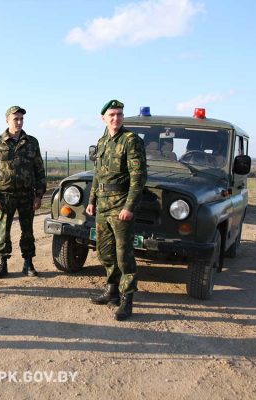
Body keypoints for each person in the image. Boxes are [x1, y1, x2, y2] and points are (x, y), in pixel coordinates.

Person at [86, 99, 147, 321]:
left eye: (119, 114)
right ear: (103, 118)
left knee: (124, 256)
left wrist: (129, 206)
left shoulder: (131, 140)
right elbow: (97, 175)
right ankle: (111, 290)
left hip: (121, 205)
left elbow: (138, 177)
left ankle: (126, 298)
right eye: (112, 115)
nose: (116, 118)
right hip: (103, 205)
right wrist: (91, 200)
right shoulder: (102, 141)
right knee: (104, 252)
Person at [0, 106, 46, 278]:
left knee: (28, 230)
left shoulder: (32, 142)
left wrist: (39, 195)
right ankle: (2, 263)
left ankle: (28, 263)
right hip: (5, 195)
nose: (18, 122)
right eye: (15, 119)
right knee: (4, 230)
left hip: (27, 194)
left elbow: (39, 170)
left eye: (21, 119)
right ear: (7, 120)